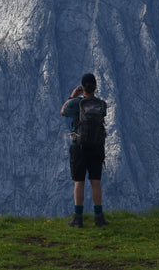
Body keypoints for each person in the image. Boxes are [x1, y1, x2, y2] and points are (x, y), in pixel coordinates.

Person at [60, 73, 108, 227]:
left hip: (79, 148)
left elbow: (63, 111)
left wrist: (73, 96)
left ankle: (78, 218)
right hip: (96, 147)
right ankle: (99, 217)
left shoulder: (76, 103)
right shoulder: (102, 104)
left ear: (82, 87)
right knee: (96, 182)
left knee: (79, 183)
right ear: (95, 87)